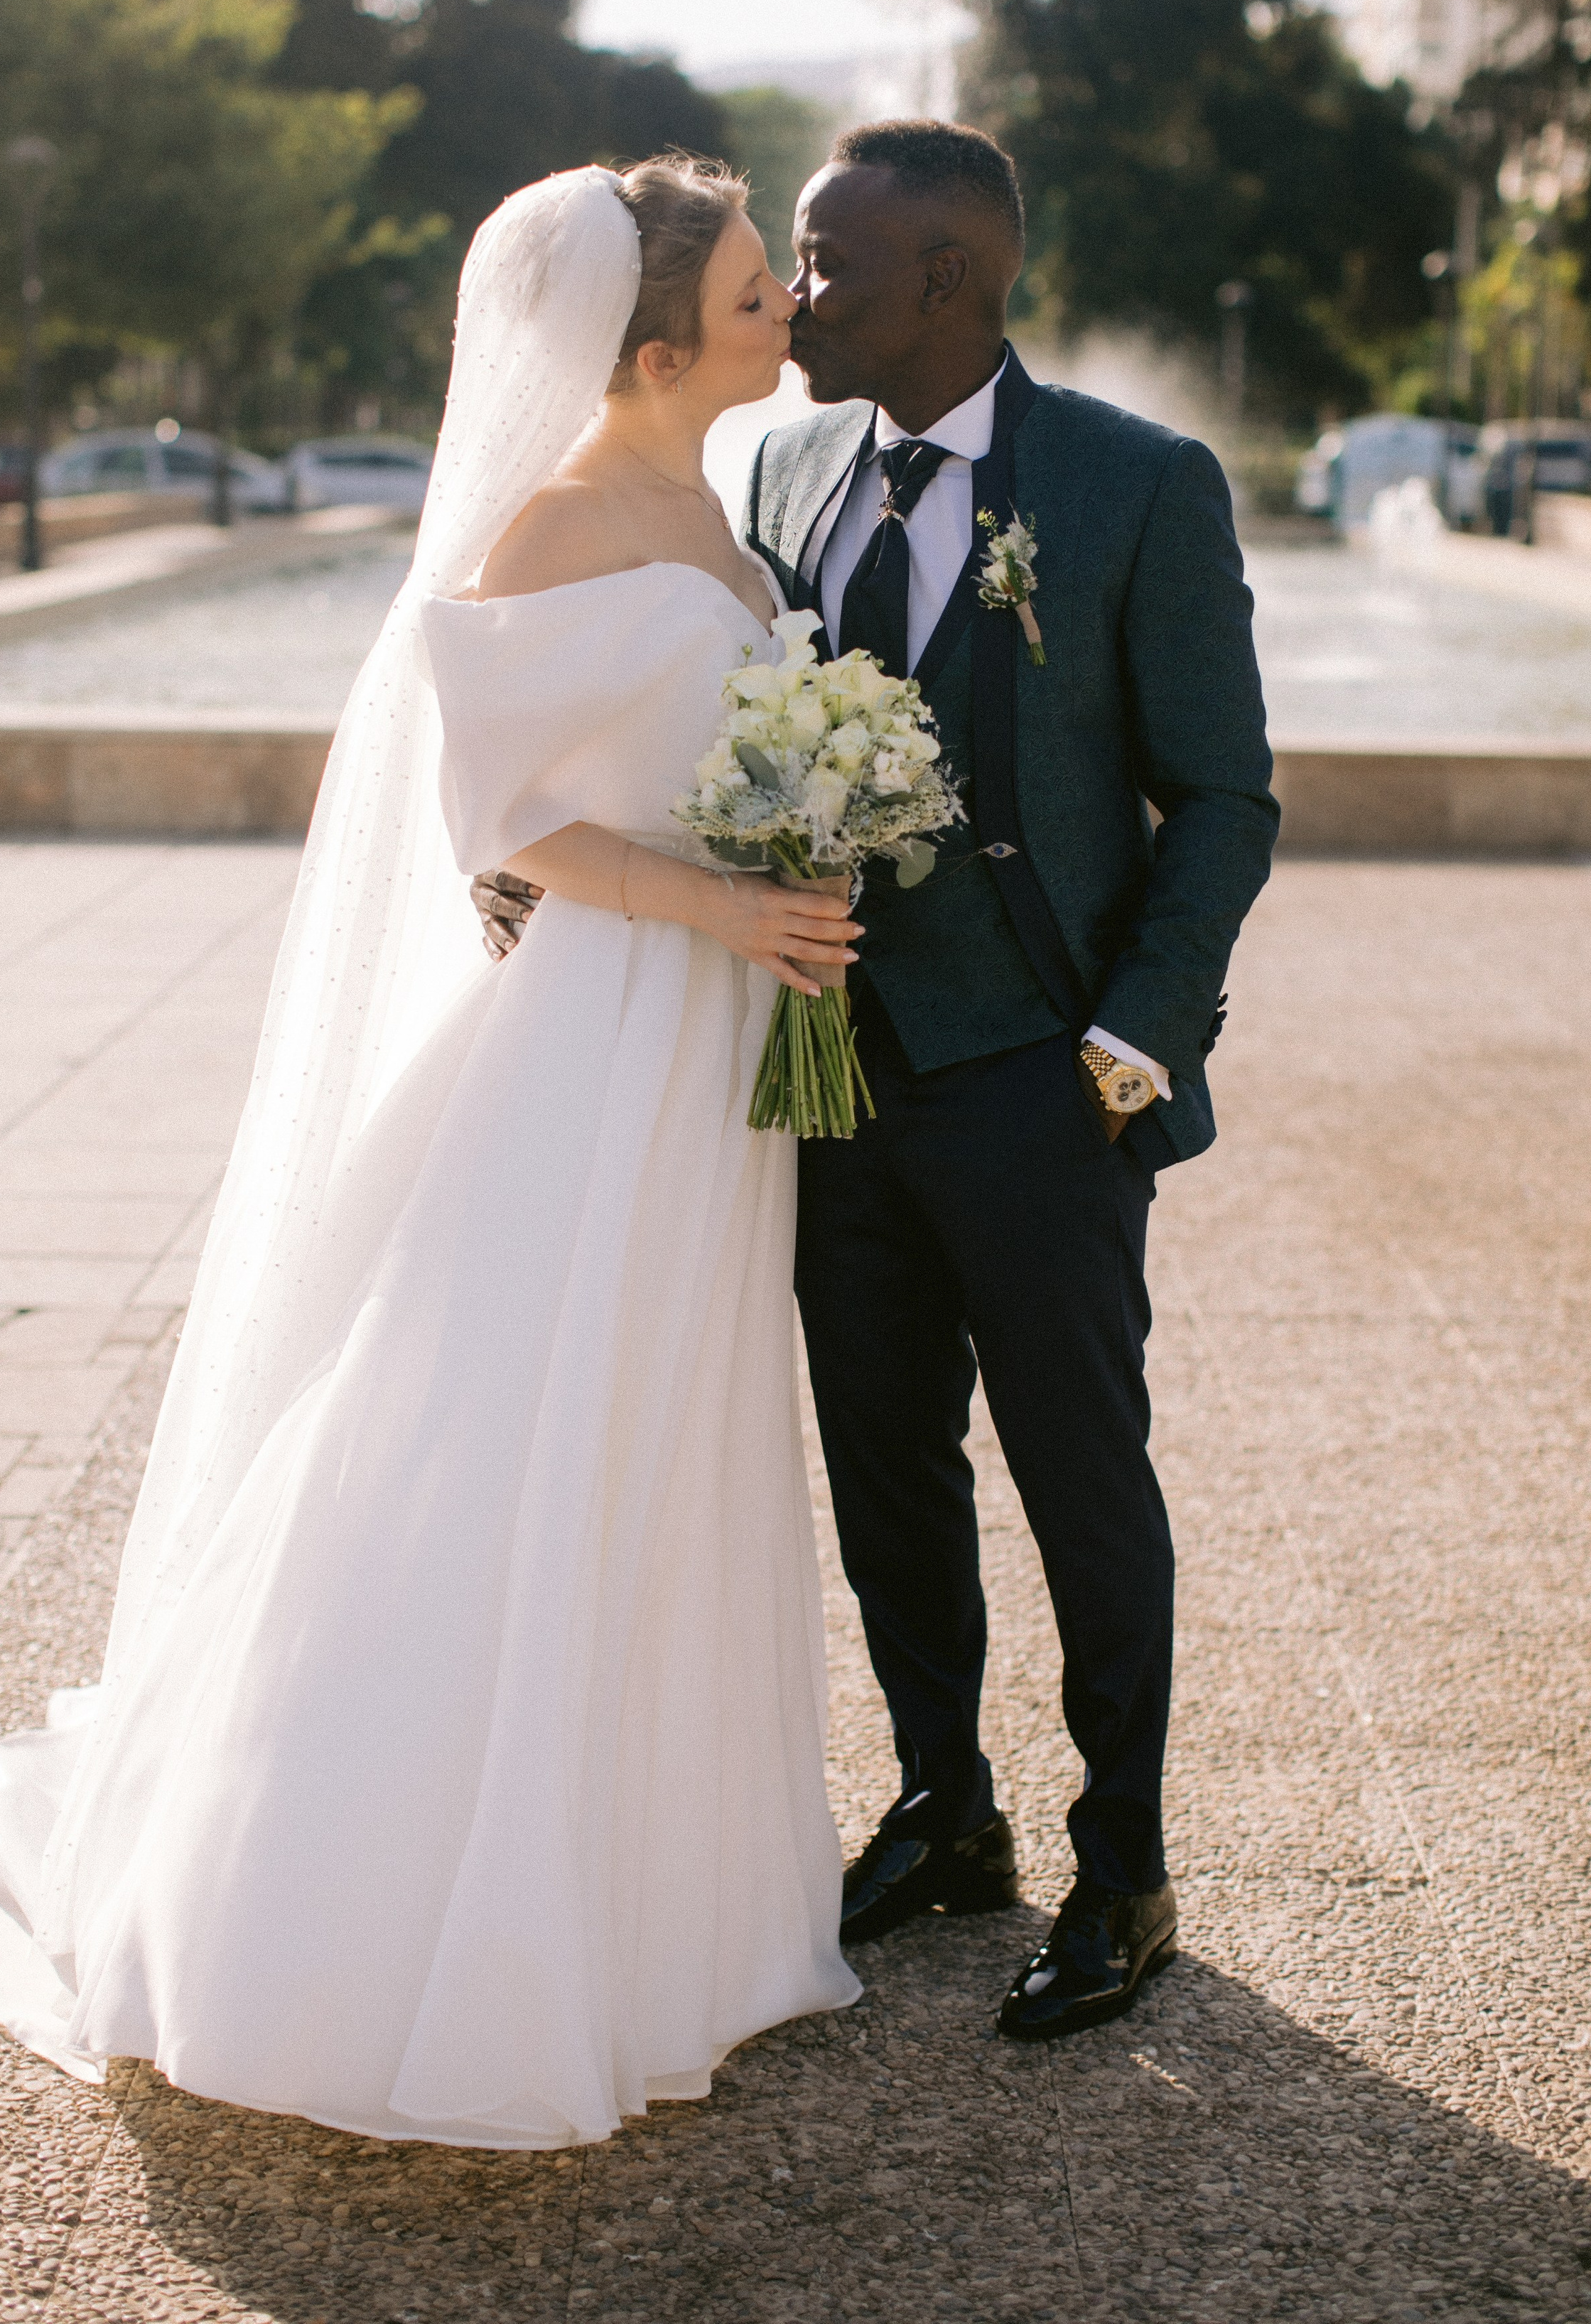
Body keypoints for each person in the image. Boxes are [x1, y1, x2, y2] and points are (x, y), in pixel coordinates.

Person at [0, 158, 863, 2149]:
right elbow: (504, 823)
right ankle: (387, 1912)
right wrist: (724, 907)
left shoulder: (731, 508)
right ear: (654, 349)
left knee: (667, 1417)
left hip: (720, 1040)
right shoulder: (547, 527)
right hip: (606, 1025)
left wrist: (807, 857)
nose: (791, 309)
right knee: (522, 1419)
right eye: (759, 289)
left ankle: (668, 1908)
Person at [480, 119, 1276, 2042]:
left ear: (950, 280)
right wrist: (565, 862)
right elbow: (695, 729)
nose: (799, 294)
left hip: (1042, 1076)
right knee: (885, 1462)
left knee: (1082, 1474)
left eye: (827, 263)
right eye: (788, 265)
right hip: (827, 1073)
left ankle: (1125, 1865)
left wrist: (1136, 1034)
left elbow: (1224, 797)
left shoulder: (1138, 483)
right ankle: (948, 1808)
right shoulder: (781, 467)